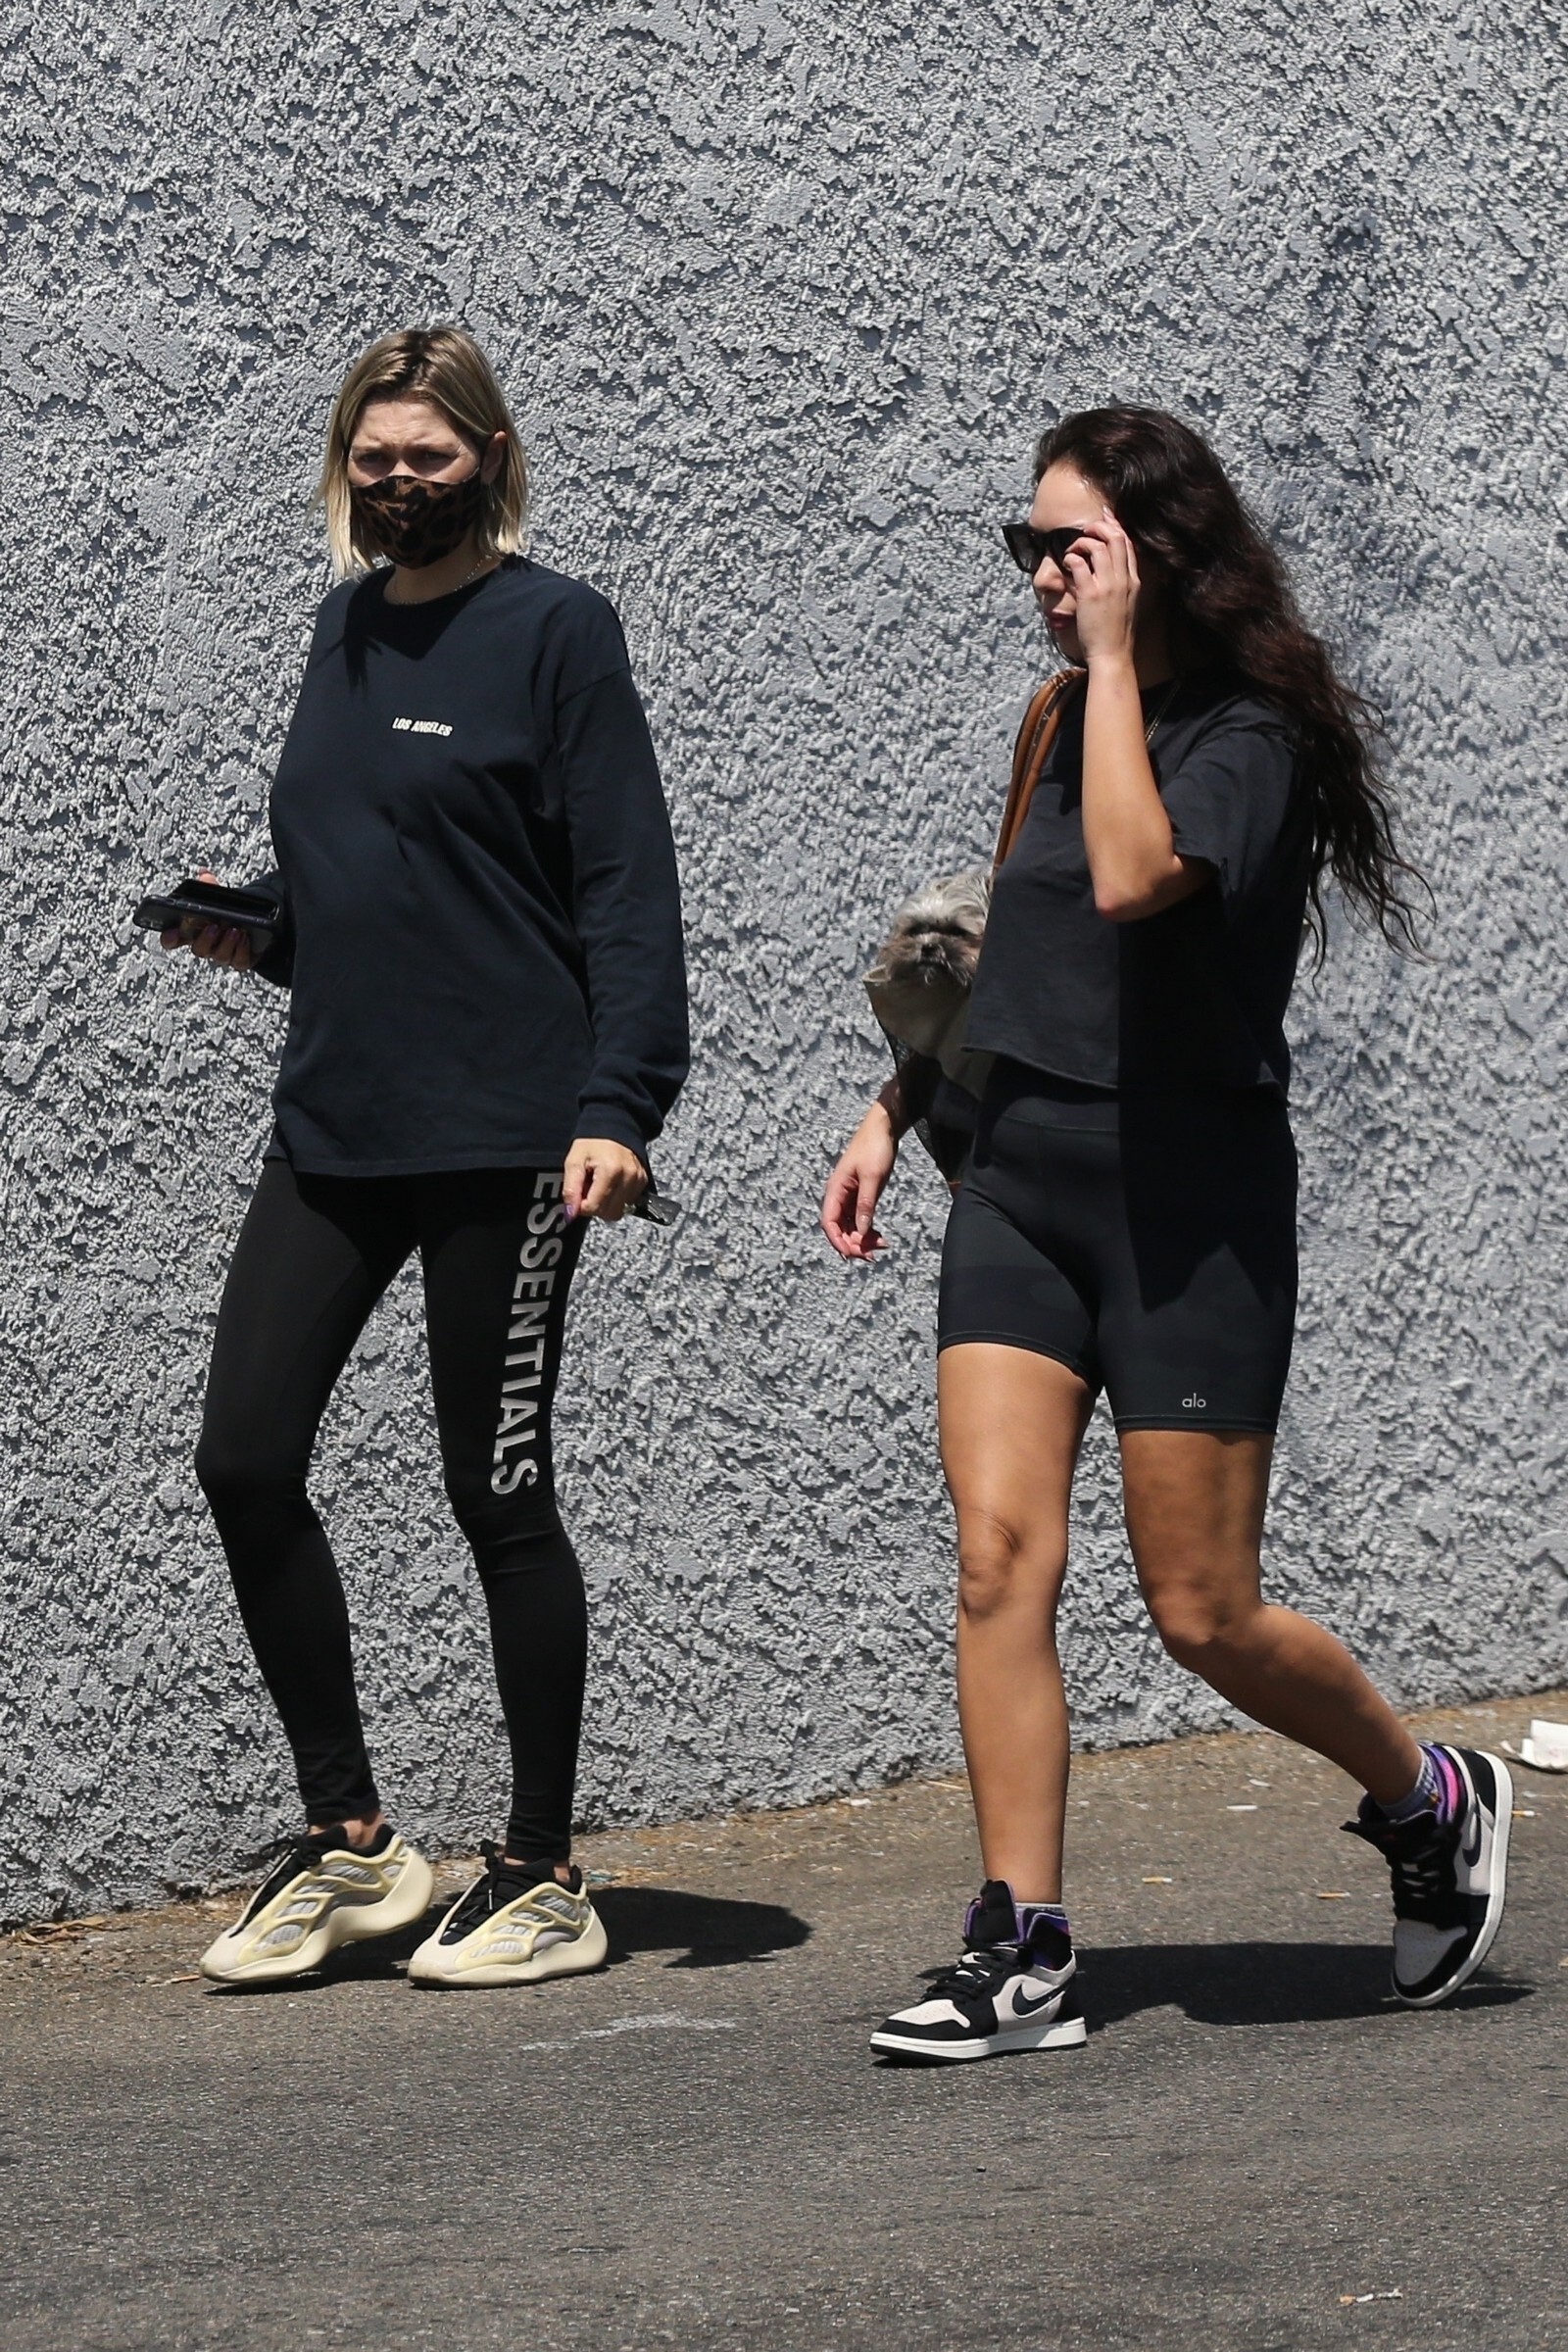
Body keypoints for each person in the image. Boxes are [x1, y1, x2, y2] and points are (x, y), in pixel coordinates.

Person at [821, 406, 1510, 2061]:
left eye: (1071, 550)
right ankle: (1023, 1947)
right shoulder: (1054, 715)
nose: (1042, 580)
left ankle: (1427, 1796)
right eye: (1030, 547)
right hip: (1021, 1184)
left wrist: (1119, 665)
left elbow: (1136, 879)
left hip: (1186, 1211)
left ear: (1155, 556)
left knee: (1203, 1613)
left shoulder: (1250, 739)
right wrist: (898, 1104)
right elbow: (1022, 940)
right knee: (998, 1558)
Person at [163, 325, 688, 1987]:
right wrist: (267, 928)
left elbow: (623, 890)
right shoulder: (342, 629)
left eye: (429, 458)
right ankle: (356, 1844)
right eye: (374, 460)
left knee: (496, 1489)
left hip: (510, 1136)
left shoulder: (558, 632)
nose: (400, 485)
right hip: (342, 1119)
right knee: (244, 1458)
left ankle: (541, 1873)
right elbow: (376, 876)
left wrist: (620, 1107)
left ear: (492, 459)